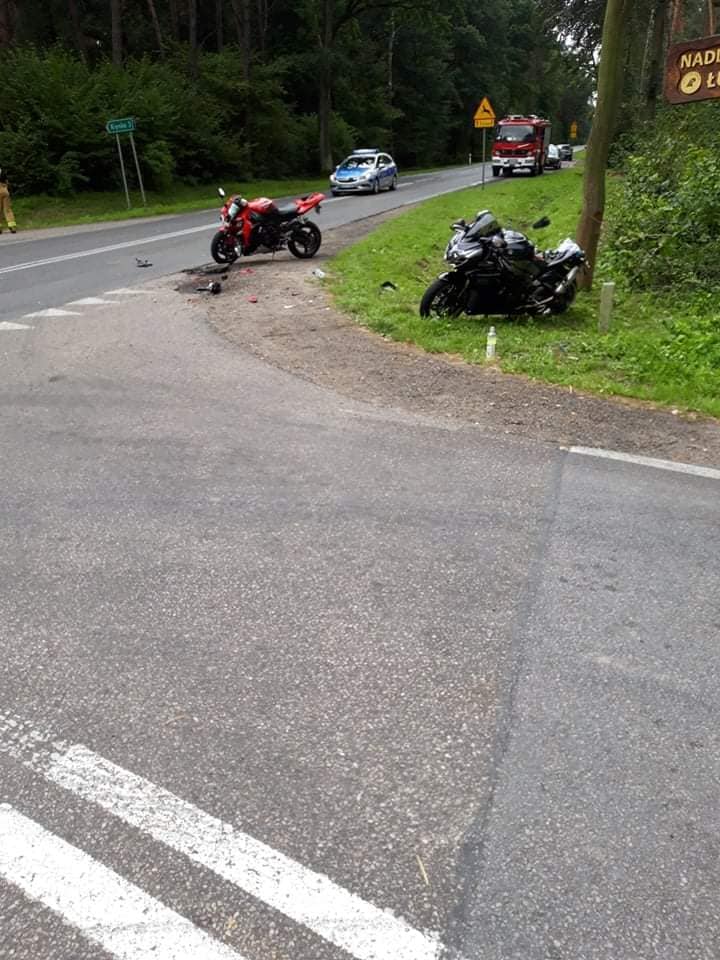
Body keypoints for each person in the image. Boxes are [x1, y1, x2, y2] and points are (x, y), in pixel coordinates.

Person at [0, 167, 17, 234]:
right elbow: (7, 182)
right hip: (5, 190)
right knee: (8, 209)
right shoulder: (2, 171)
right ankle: (12, 227)